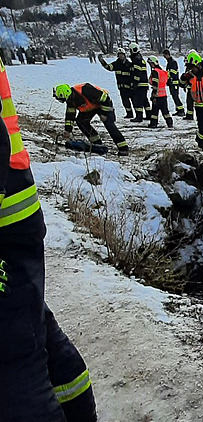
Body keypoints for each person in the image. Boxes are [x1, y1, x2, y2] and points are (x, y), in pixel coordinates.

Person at [0, 58, 97, 422]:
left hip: (8, 217)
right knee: (34, 331)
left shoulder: (86, 91)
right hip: (15, 211)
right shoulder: (71, 99)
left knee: (13, 371)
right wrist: (70, 133)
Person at [52, 83, 130, 156]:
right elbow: (70, 116)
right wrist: (68, 130)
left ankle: (123, 147)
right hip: (90, 108)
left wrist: (104, 113)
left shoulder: (86, 90)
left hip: (103, 105)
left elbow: (105, 99)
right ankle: (96, 143)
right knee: (81, 122)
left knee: (109, 124)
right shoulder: (70, 100)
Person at [98, 47, 134, 118]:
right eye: (119, 54)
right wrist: (102, 61)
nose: (121, 56)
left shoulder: (129, 64)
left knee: (134, 101)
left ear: (124, 55)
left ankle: (137, 114)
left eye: (122, 54)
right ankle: (129, 114)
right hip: (121, 87)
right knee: (125, 101)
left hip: (129, 86)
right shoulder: (116, 64)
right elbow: (108, 67)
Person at [147, 55, 173, 128]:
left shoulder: (155, 72)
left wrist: (154, 95)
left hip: (157, 95)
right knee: (165, 111)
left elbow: (155, 83)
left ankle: (153, 124)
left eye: (151, 63)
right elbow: (168, 82)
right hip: (163, 94)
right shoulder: (163, 72)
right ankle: (169, 123)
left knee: (154, 111)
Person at [128, 42, 151, 122]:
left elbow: (137, 73)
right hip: (144, 83)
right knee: (145, 100)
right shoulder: (140, 58)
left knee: (138, 100)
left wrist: (134, 83)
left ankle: (139, 117)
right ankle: (149, 114)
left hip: (140, 84)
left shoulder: (136, 59)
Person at [162, 49, 185, 116]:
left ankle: (181, 110)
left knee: (175, 96)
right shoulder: (169, 62)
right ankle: (178, 109)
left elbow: (173, 72)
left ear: (167, 54)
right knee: (174, 96)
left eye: (165, 56)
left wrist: (169, 77)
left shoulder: (173, 62)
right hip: (171, 82)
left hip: (174, 82)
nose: (164, 57)